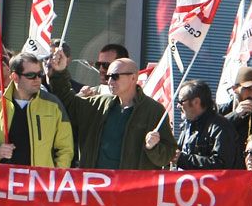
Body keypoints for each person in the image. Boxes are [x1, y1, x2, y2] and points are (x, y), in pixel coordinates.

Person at [46, 51, 176, 170]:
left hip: (130, 191)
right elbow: (67, 104)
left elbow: (167, 157)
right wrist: (59, 72)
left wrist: (153, 147)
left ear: (133, 78)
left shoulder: (154, 111)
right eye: (108, 77)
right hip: (96, 187)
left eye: (115, 76)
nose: (110, 81)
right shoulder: (99, 104)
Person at [0, 53, 73, 168]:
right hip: (2, 182)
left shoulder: (54, 105)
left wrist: (55, 177)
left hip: (38, 183)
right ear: (15, 77)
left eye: (40, 74)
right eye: (31, 75)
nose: (38, 79)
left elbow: (65, 149)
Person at [174, 79, 238, 170]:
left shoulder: (220, 127)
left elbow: (221, 164)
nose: (178, 106)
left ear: (196, 102)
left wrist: (182, 159)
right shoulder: (187, 126)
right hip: (187, 183)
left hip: (209, 184)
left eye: (181, 101)